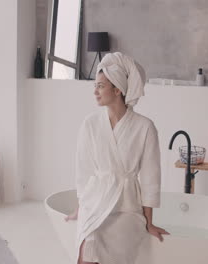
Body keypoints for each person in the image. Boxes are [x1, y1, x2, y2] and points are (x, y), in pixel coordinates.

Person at [65, 52, 169, 264]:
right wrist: (81, 207)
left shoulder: (145, 127)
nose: (95, 91)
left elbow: (150, 178)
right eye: (95, 85)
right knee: (88, 244)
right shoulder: (90, 124)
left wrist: (149, 222)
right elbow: (83, 171)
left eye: (101, 86)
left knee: (115, 247)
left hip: (127, 207)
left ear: (118, 89)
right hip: (95, 202)